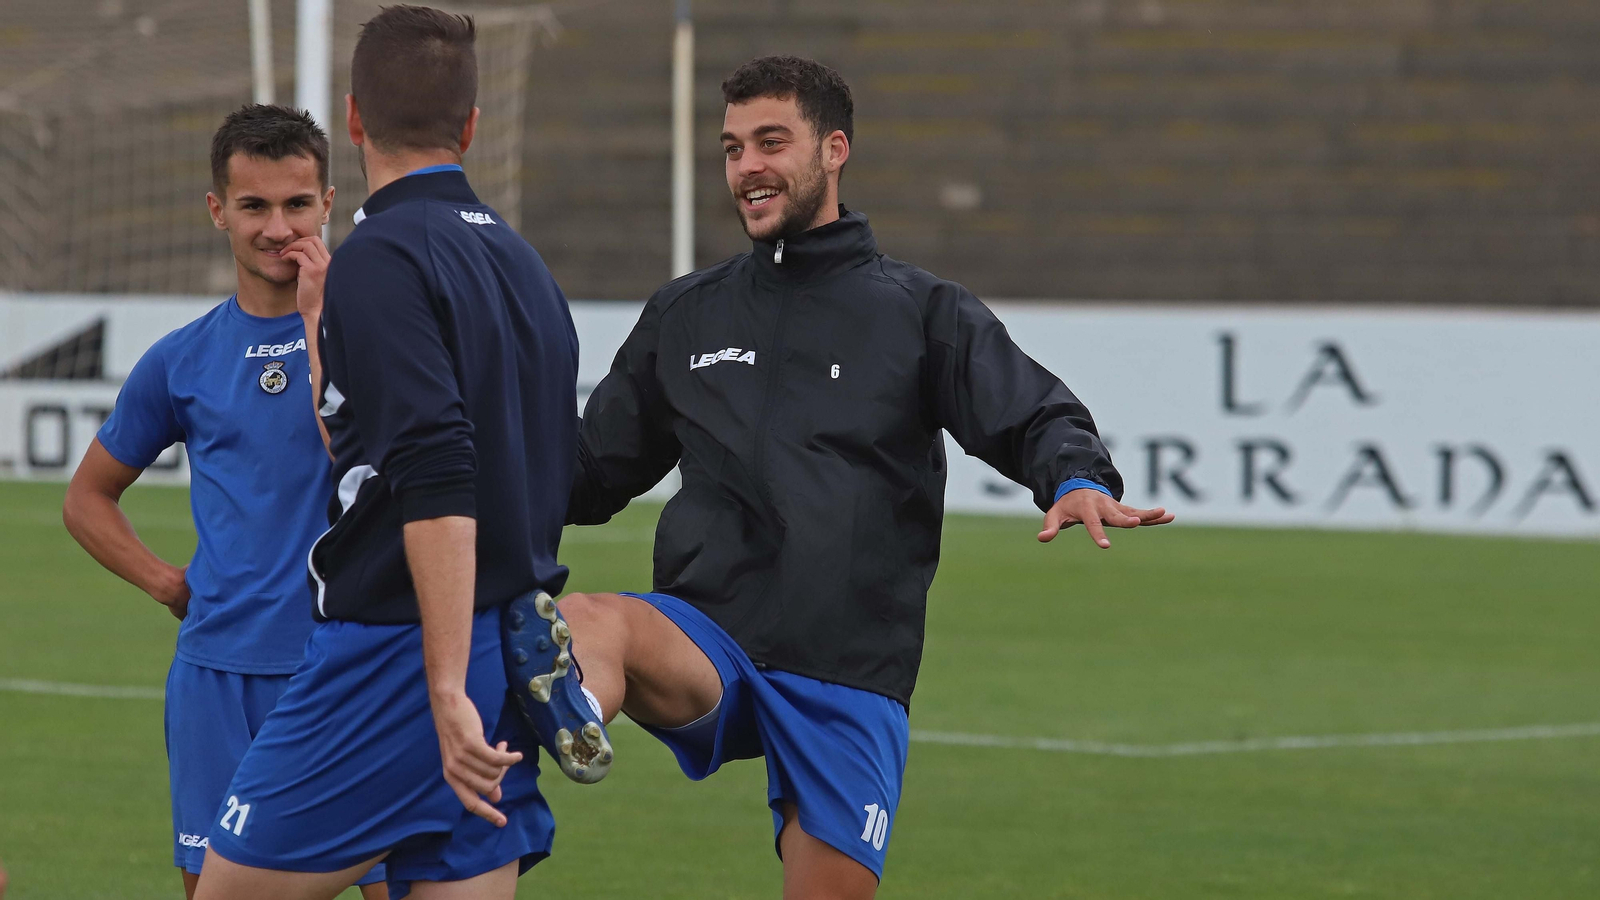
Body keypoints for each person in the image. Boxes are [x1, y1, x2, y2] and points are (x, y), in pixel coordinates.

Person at [543, 56, 1175, 898]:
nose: (747, 167)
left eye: (772, 141)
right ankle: (555, 719)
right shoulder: (686, 313)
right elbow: (589, 476)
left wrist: (1073, 477)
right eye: (732, 148)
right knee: (592, 619)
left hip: (848, 671)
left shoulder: (918, 310)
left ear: (834, 149)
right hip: (709, 635)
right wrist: (474, 464)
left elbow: (1032, 411)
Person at [193, 7, 582, 899]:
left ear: (355, 117)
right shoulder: (525, 266)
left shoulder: (382, 256)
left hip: (398, 656)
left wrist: (441, 687)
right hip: (503, 647)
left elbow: (437, 475)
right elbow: (376, 446)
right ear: (472, 126)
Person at [61, 105, 388, 900]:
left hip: (350, 667)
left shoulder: (383, 340)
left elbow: (372, 463)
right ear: (218, 211)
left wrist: (320, 320)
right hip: (218, 678)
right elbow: (87, 498)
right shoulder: (182, 360)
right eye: (254, 206)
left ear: (329, 203)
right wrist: (165, 582)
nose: (278, 228)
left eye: (296, 205)